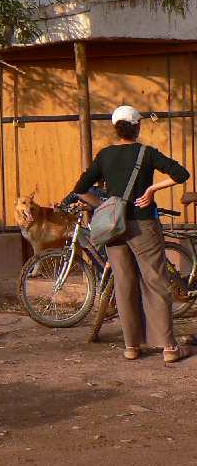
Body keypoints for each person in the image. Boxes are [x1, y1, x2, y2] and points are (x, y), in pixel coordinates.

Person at [72, 105, 191, 363]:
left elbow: (80, 188)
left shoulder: (105, 156)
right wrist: (151, 190)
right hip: (143, 225)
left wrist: (103, 207)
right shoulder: (146, 153)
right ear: (137, 127)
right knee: (155, 282)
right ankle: (169, 348)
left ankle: (131, 347)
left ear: (116, 128)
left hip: (114, 229)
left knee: (124, 285)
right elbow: (181, 174)